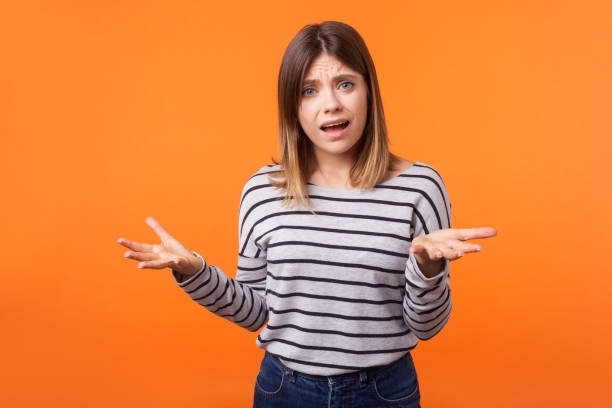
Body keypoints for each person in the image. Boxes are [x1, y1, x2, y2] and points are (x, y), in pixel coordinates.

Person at [117, 21, 497, 408]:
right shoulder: (264, 190)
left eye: (345, 84)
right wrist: (193, 271)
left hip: (383, 393)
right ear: (293, 108)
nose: (330, 103)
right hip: (284, 390)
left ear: (369, 92)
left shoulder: (420, 188)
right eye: (309, 91)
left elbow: (426, 326)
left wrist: (427, 269)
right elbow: (255, 311)